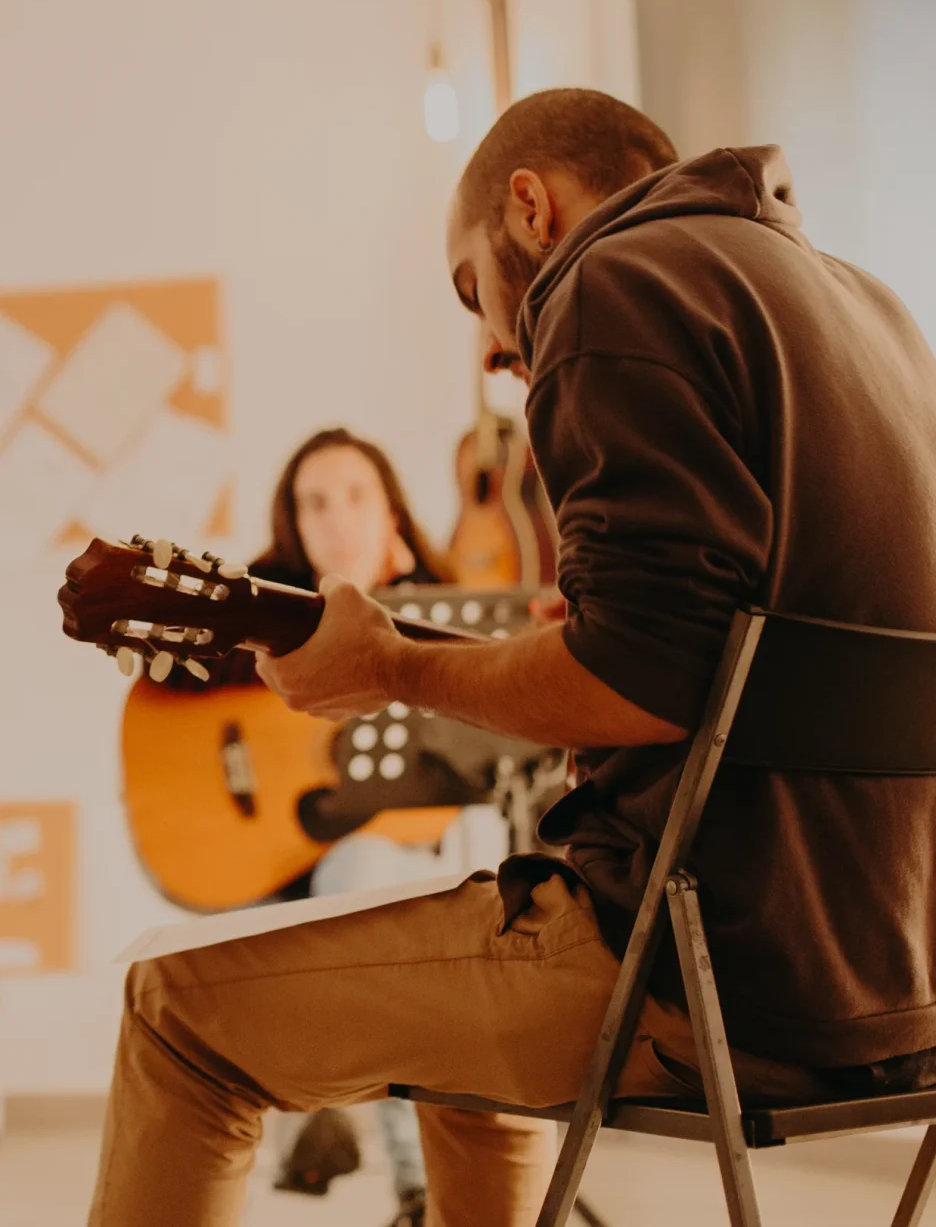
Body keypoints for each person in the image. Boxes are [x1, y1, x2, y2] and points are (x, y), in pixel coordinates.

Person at [87, 88, 936, 1227]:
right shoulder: (866, 306)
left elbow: (644, 679)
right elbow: (722, 648)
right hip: (901, 984)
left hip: (710, 973)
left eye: (470, 291)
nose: (493, 345)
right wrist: (580, 641)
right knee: (459, 1037)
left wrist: (393, 666)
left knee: (169, 1010)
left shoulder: (611, 281)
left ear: (532, 208)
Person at [166, 426, 451, 1227]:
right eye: (314, 502)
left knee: (354, 879)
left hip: (393, 867)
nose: (338, 519)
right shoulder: (259, 606)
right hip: (277, 870)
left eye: (357, 495)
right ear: (292, 522)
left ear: (391, 507)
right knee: (225, 955)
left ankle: (407, 1182)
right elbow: (177, 695)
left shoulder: (442, 603)